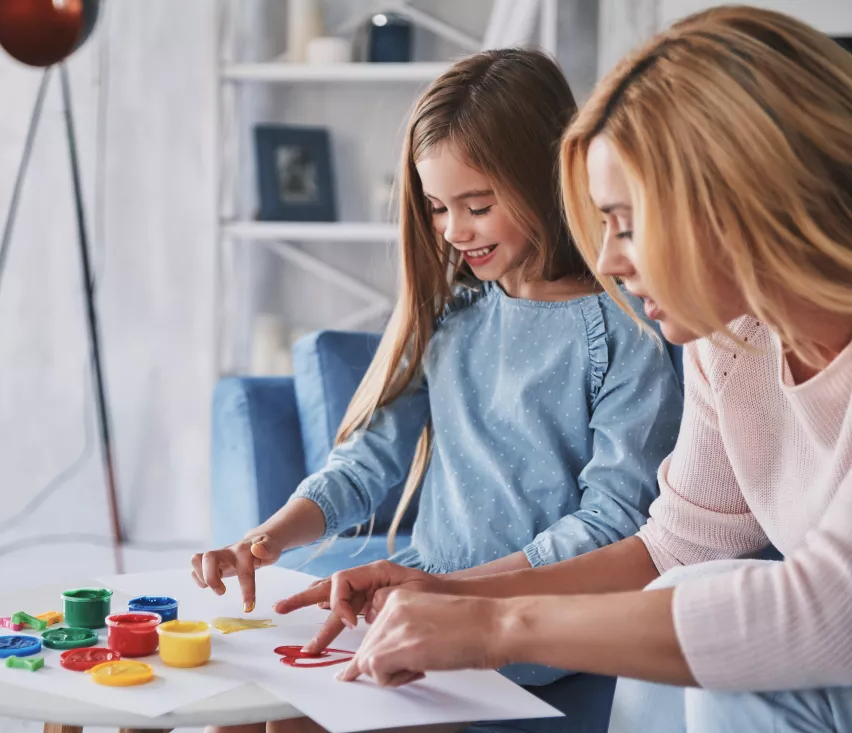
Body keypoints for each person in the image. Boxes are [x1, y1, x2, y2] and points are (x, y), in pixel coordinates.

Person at [279, 7, 852, 732]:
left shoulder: (631, 332)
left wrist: (499, 627)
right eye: (600, 223)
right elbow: (667, 545)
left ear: (738, 199)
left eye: (629, 222)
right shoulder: (727, 343)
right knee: (691, 577)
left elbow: (827, 612)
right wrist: (452, 592)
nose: (609, 258)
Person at [194, 48, 683, 733]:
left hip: (532, 620)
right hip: (419, 591)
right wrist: (266, 538)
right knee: (242, 716)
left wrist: (465, 597)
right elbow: (366, 463)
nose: (454, 231)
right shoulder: (452, 314)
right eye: (436, 207)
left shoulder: (624, 330)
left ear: (545, 179)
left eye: (477, 205)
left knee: (298, 723)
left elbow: (610, 525)